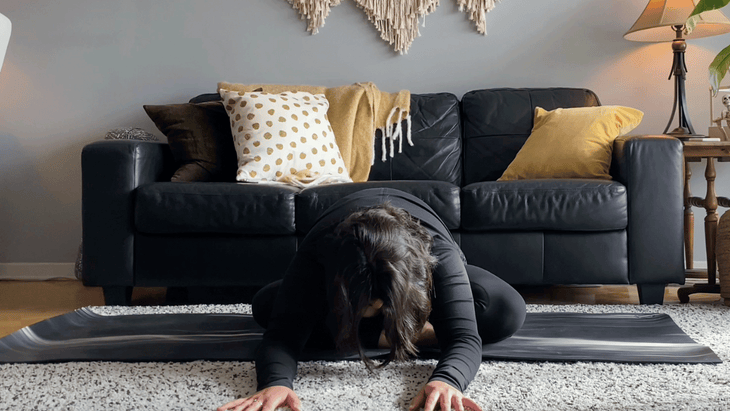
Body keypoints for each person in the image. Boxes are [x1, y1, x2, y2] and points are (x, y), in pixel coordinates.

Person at [218, 188, 526, 411]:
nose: (373, 311)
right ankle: (403, 333)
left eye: (378, 307)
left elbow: (464, 337)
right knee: (265, 307)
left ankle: (397, 327)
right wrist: (276, 383)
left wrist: (447, 380)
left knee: (506, 310)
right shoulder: (318, 253)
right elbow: (281, 335)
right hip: (342, 278)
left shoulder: (437, 255)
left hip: (414, 272)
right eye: (366, 307)